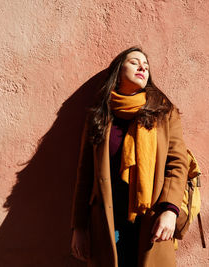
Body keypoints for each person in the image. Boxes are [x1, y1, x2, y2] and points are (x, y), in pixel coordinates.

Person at [70, 46, 188, 267]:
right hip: (107, 221)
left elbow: (178, 163)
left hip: (151, 219)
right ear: (118, 70)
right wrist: (79, 227)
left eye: (146, 64)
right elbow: (85, 175)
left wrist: (170, 210)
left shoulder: (164, 112)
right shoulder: (99, 115)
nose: (142, 66)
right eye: (134, 62)